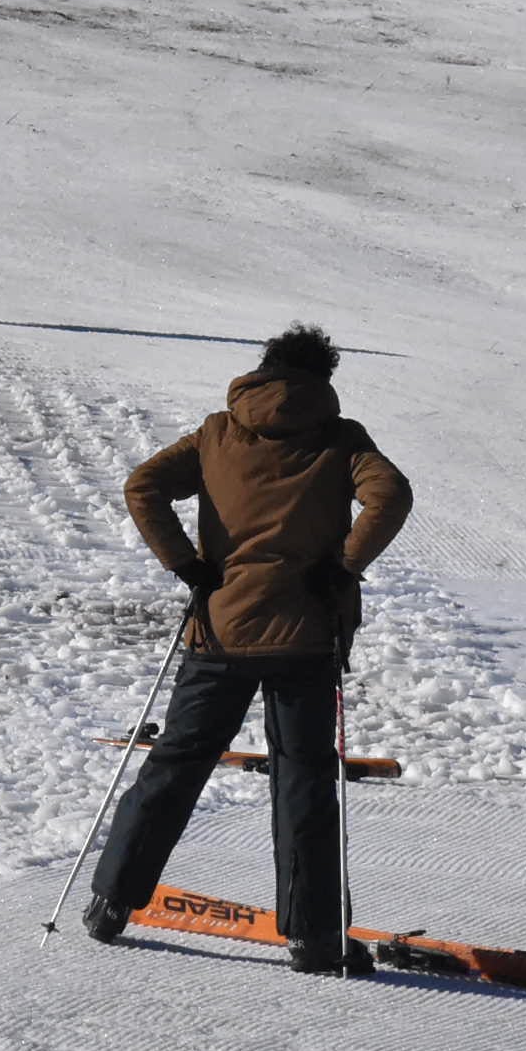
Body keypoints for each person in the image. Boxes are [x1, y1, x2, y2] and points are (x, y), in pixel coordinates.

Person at [84, 324, 413, 974]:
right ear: (323, 379)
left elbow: (142, 486)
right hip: (306, 638)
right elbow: (391, 496)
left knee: (174, 765)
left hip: (220, 631)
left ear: (264, 371)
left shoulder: (216, 433)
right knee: (304, 779)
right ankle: (314, 938)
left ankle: (110, 903)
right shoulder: (342, 440)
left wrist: (187, 566)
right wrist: (344, 566)